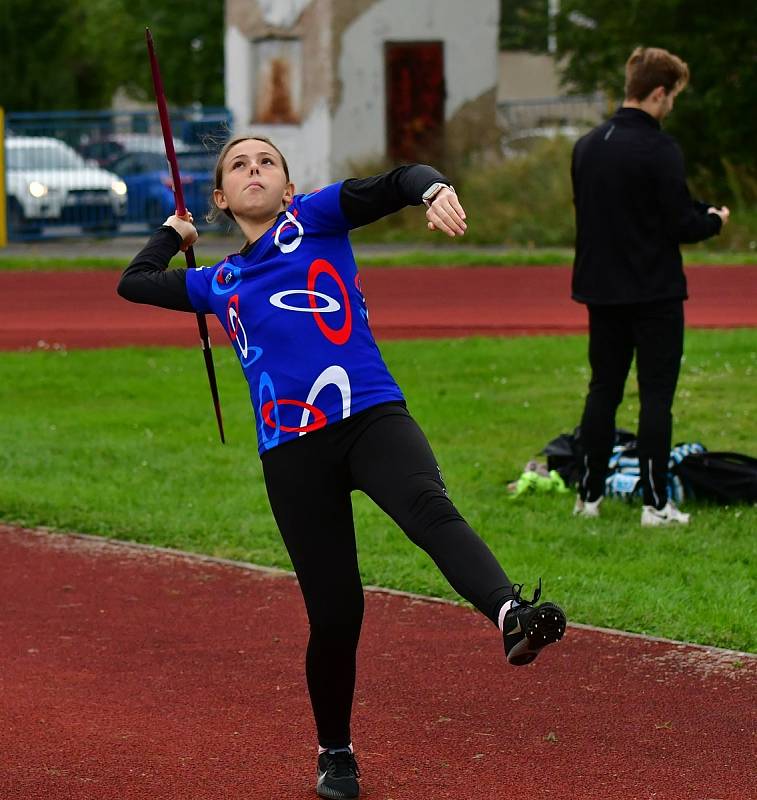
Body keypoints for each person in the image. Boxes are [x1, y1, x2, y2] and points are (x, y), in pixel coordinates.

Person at [118, 136, 566, 799]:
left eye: (266, 162)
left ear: (287, 189)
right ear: (219, 198)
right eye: (238, 165)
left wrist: (434, 189)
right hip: (291, 450)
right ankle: (335, 752)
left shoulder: (315, 217)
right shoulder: (217, 282)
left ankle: (509, 614)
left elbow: (396, 180)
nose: (253, 171)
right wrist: (170, 231)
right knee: (335, 614)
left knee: (427, 507)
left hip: (369, 414)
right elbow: (133, 283)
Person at [570, 46, 729, 527]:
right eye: (673, 96)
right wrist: (714, 221)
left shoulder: (588, 146)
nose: (672, 105)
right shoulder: (661, 149)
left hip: (602, 288)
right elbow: (679, 220)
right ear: (659, 92)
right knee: (656, 395)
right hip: (654, 291)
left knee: (603, 390)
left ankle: (588, 496)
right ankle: (656, 504)